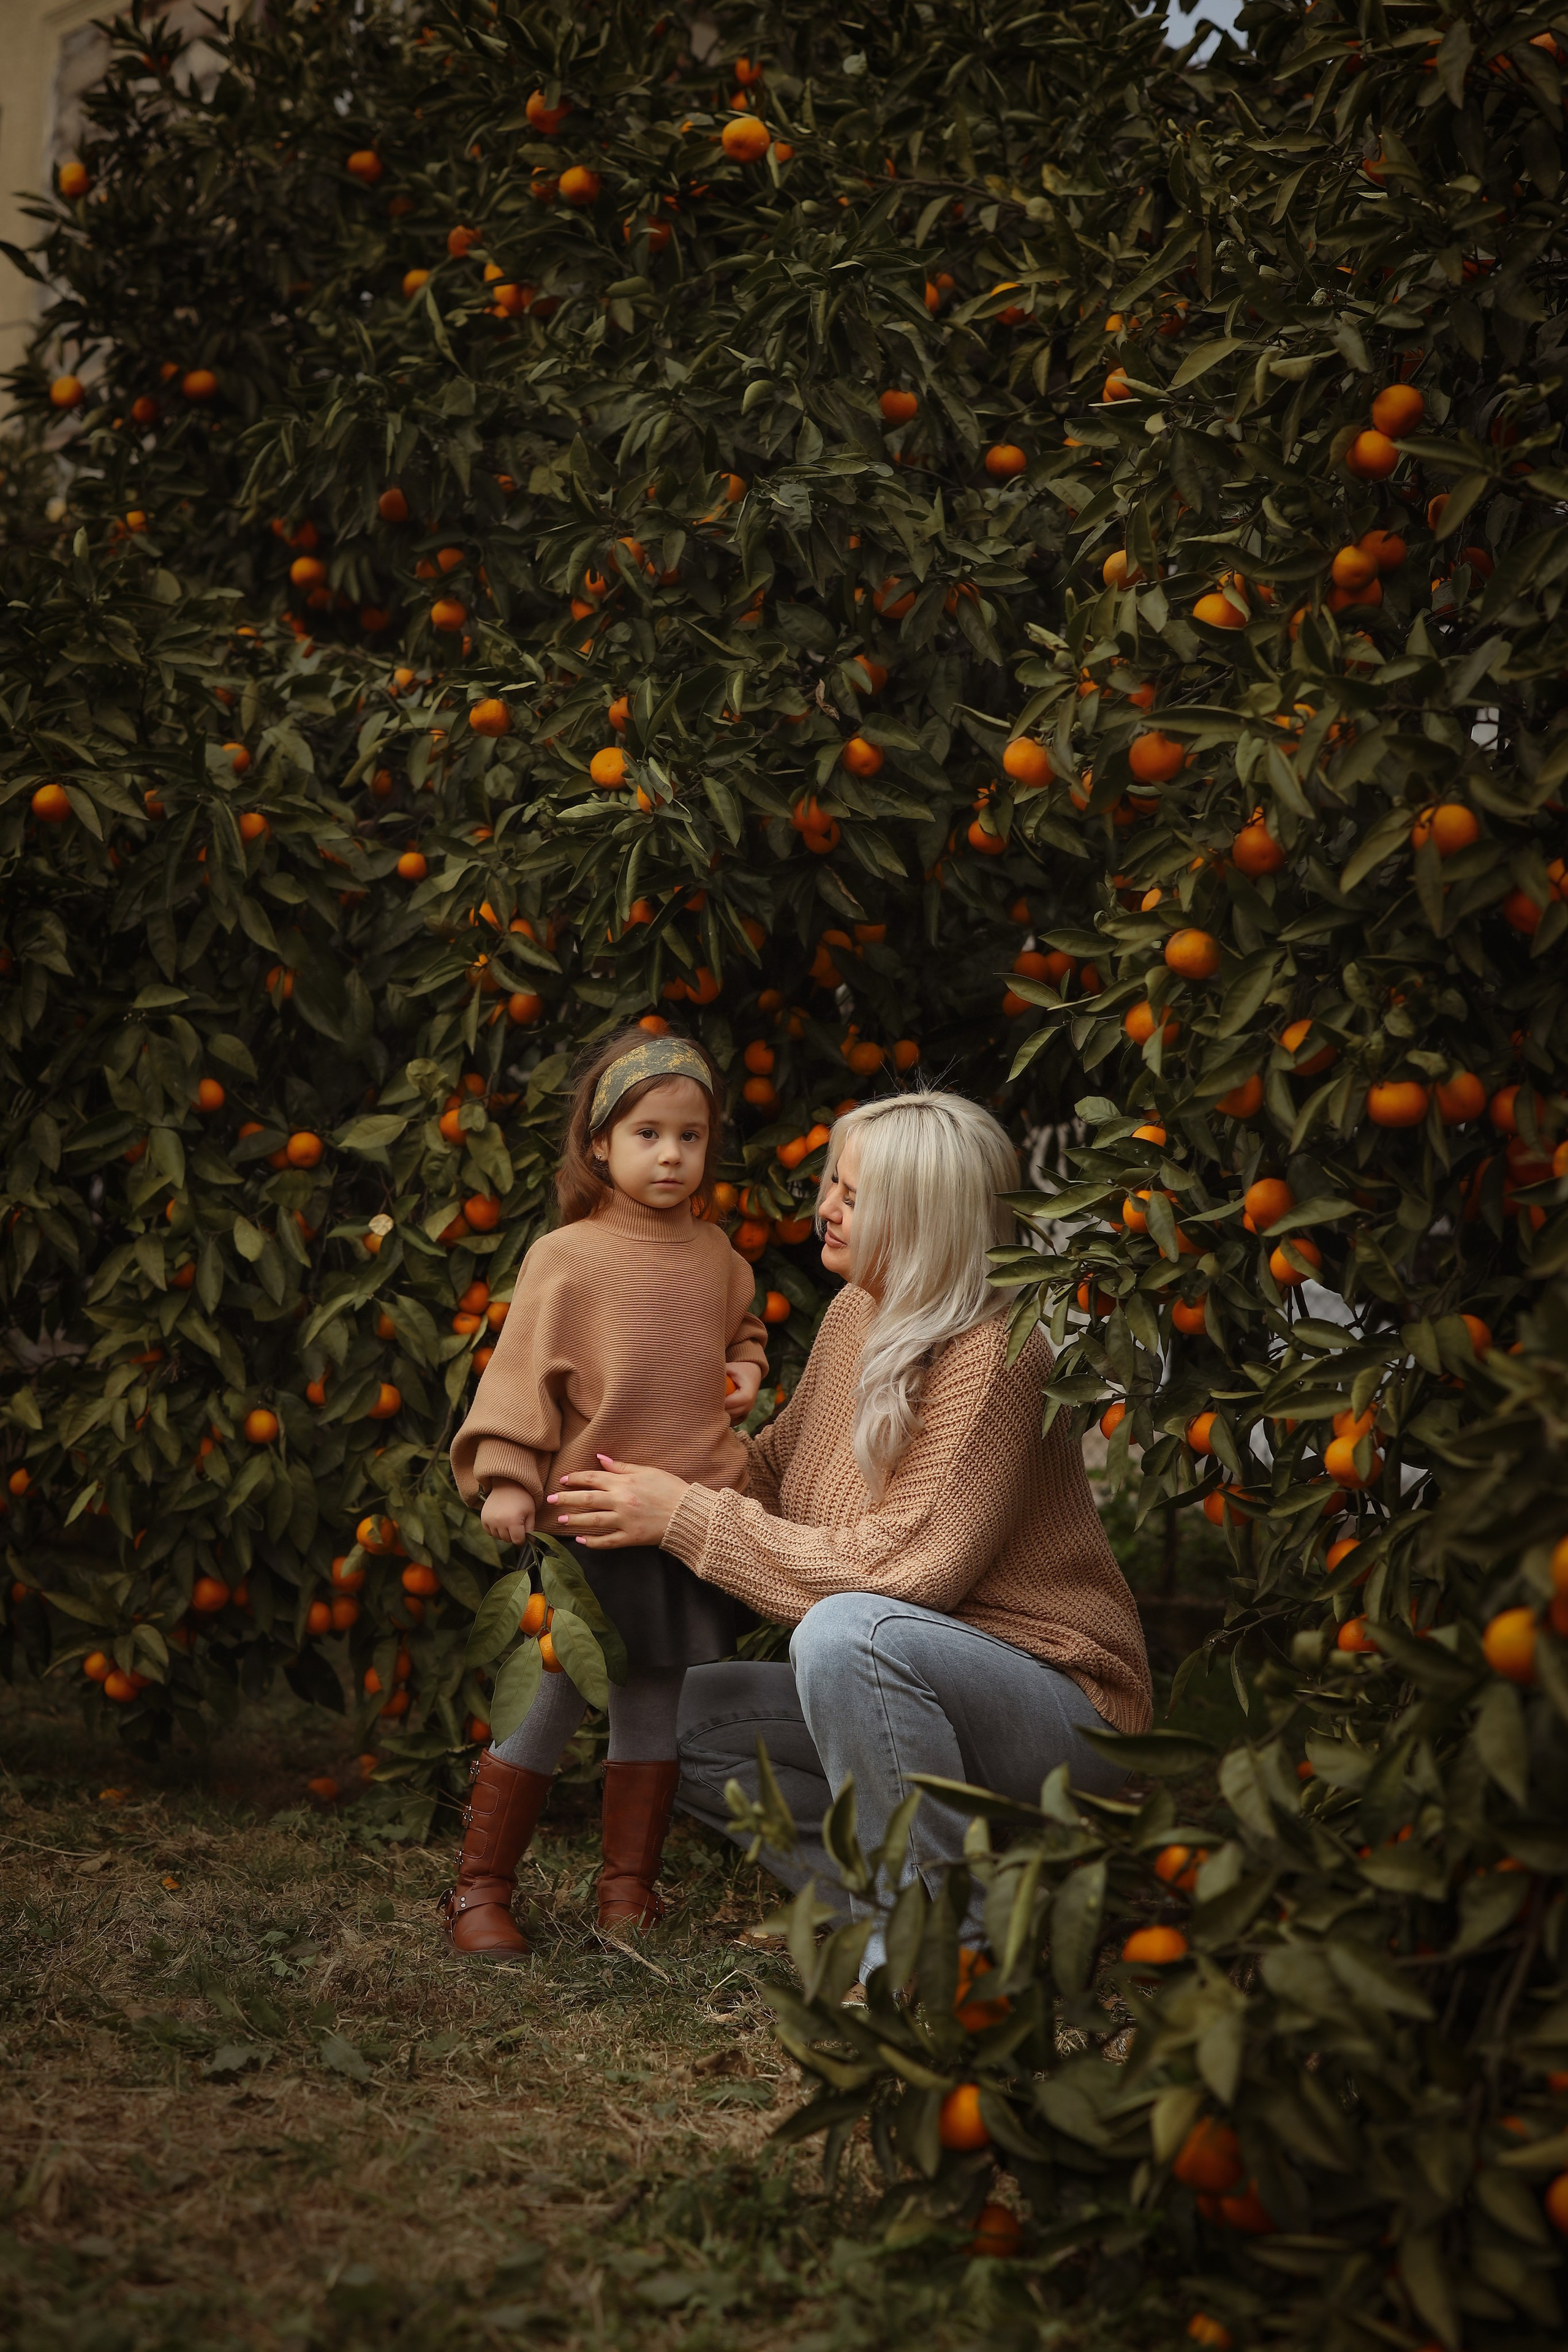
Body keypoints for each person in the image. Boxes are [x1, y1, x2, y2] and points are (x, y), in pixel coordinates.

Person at [548, 1090, 1153, 1978]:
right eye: (832, 1181)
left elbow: (907, 1572)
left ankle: (923, 1953)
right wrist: (636, 1472)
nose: (824, 1206)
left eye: (852, 1194)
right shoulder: (853, 1317)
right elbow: (773, 1474)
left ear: (920, 1218)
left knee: (845, 1631)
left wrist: (681, 1515)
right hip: (917, 1682)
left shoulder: (994, 1352)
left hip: (1060, 1706)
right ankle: (961, 1902)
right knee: (673, 1712)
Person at [442, 1029, 769, 1957]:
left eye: (691, 1137)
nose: (671, 1155)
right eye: (648, 1135)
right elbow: (518, 1378)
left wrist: (743, 1368)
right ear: (599, 1145)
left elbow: (740, 1330)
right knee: (548, 1698)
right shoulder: (568, 1256)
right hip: (587, 1518)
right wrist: (508, 1477)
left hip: (680, 1518)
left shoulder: (717, 1256)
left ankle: (627, 1893)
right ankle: (479, 1890)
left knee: (655, 1706)